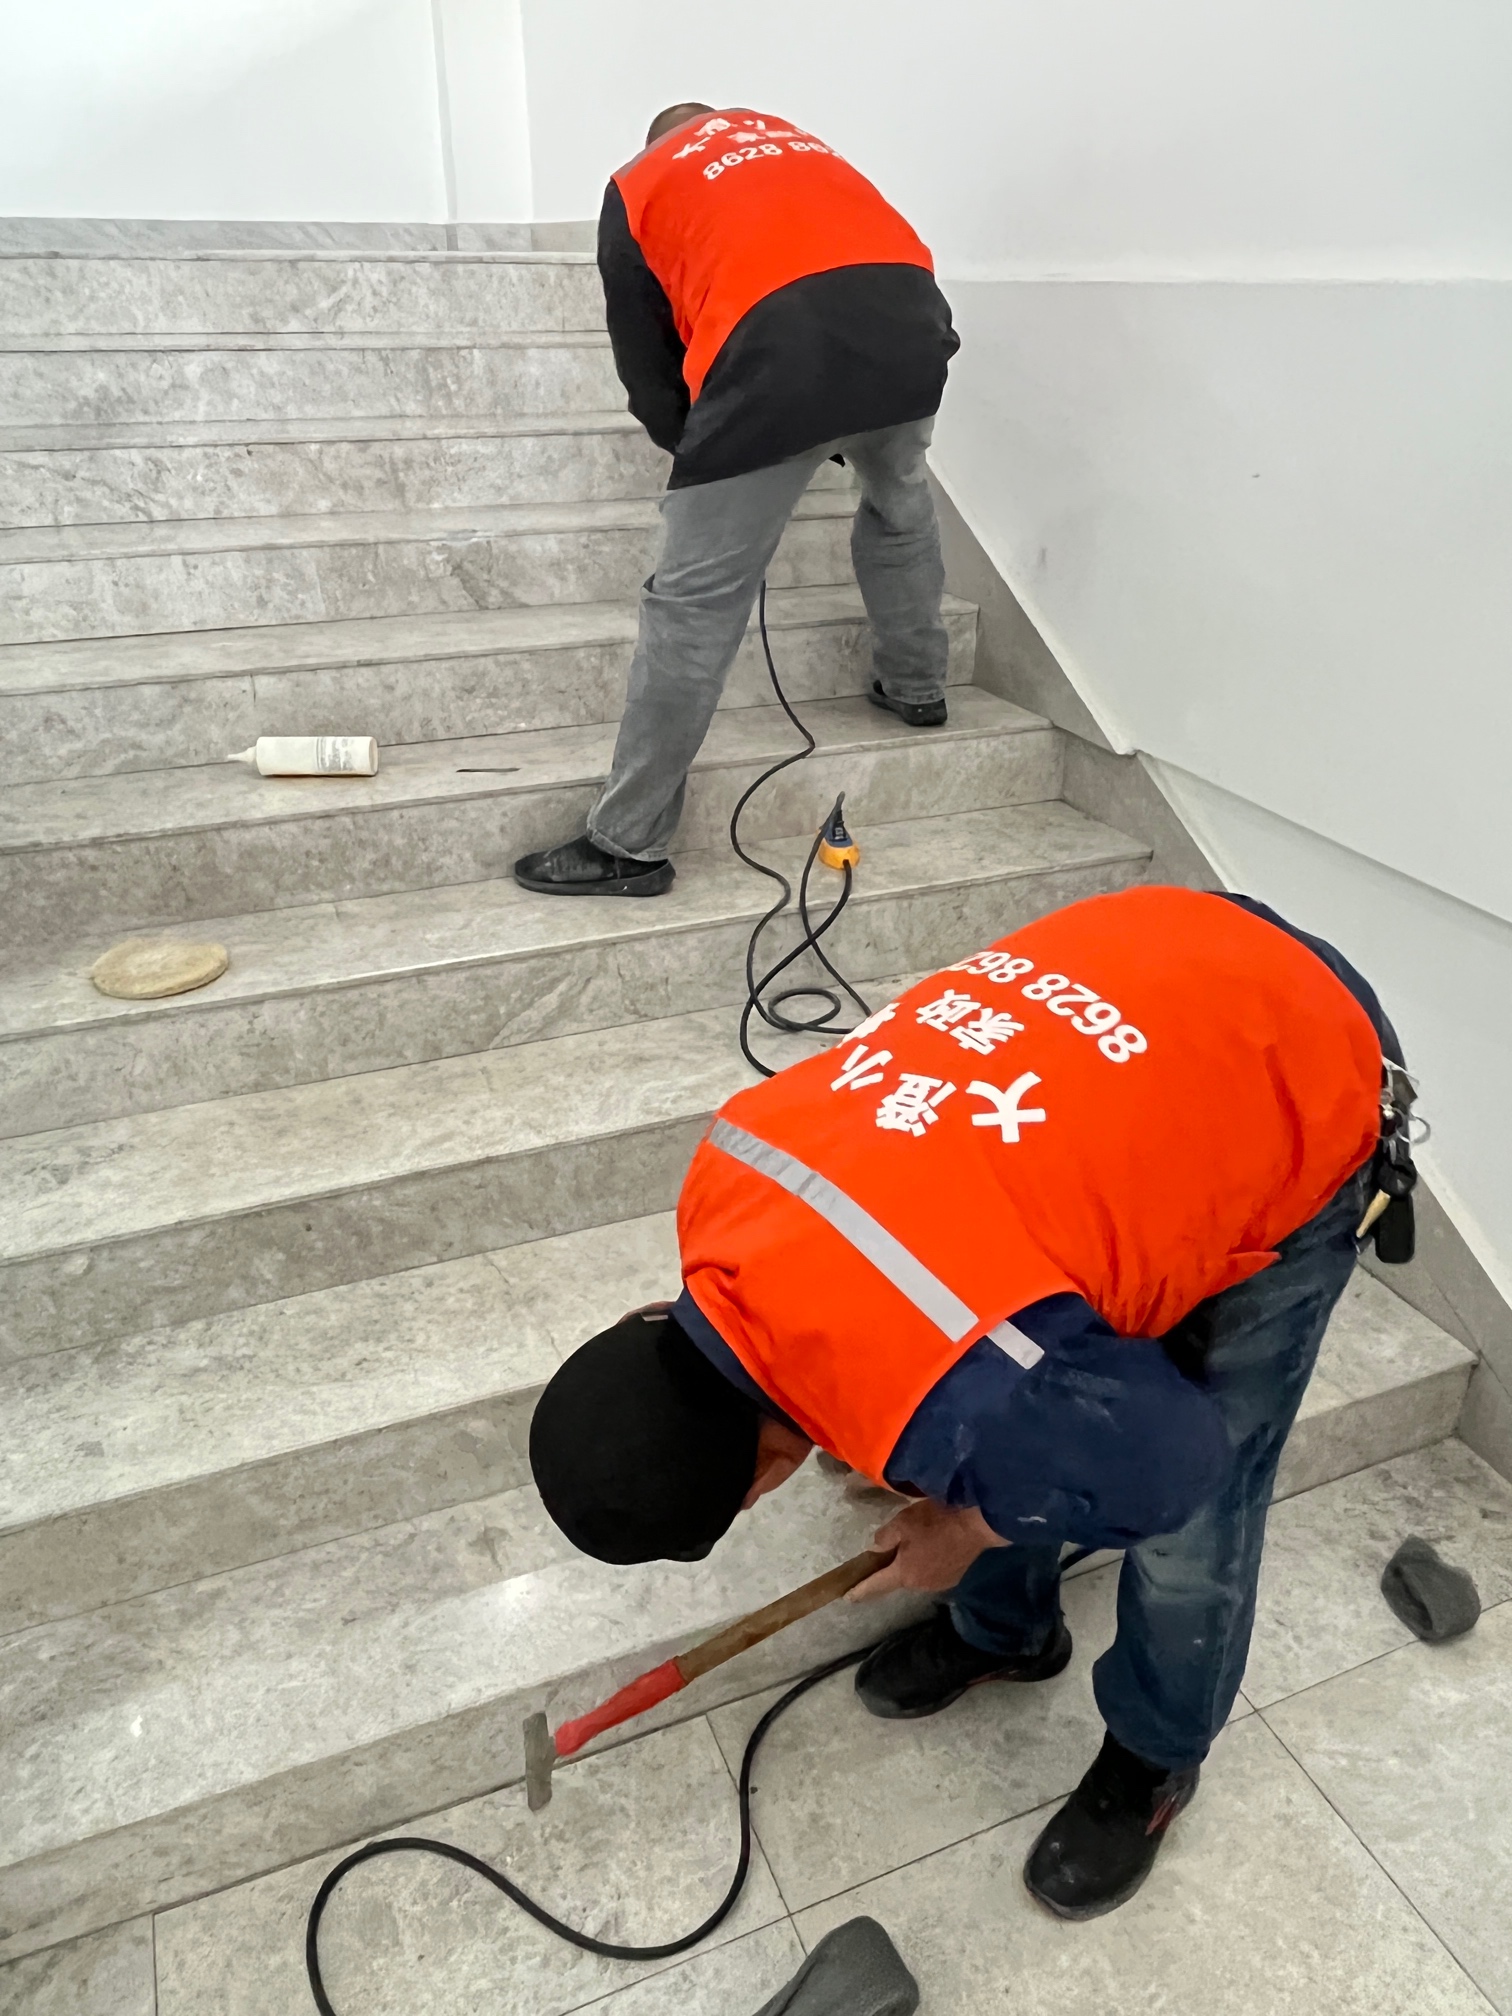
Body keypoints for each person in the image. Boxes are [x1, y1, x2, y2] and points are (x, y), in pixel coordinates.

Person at [529, 883, 1413, 1918]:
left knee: (1193, 1514)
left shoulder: (964, 1377)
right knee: (1009, 1420)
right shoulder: (722, 1184)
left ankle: (1154, 1759)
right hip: (1161, 956)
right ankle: (1006, 1635)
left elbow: (1171, 1466)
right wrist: (963, 1499)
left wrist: (966, 1528)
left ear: (763, 1479)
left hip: (1294, 1052)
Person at [513, 102, 959, 899]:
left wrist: (700, 455)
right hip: (911, 324)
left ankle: (628, 843)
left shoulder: (641, 183)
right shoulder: (786, 136)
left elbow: (646, 361)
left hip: (779, 349)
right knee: (899, 505)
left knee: (693, 601)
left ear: (657, 142)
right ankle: (917, 685)